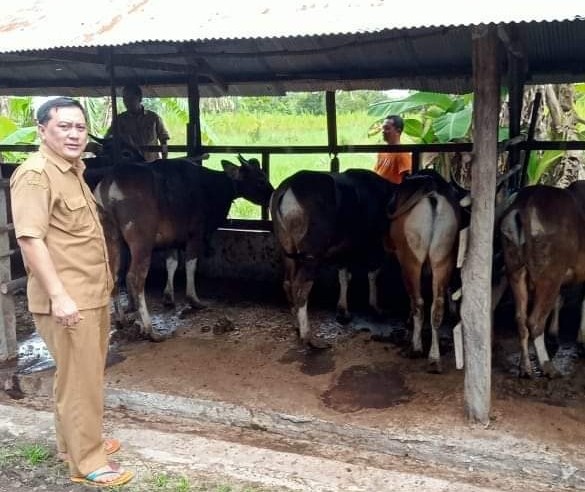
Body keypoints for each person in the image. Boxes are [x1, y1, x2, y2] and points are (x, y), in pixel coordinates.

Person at [10, 97, 134, 487]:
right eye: (64, 126)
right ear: (42, 130)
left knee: (80, 374)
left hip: (90, 291)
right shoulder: (36, 174)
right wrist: (59, 295)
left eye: (80, 127)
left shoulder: (72, 170)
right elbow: (30, 239)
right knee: (80, 378)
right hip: (68, 296)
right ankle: (88, 462)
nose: (74, 134)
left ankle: (76, 443)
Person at [106, 84, 170, 162]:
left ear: (139, 99)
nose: (127, 102)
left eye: (130, 99)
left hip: (152, 165)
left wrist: (164, 161)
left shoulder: (153, 118)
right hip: (130, 166)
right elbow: (108, 138)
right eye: (124, 99)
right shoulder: (119, 120)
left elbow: (164, 140)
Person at [373, 114, 412, 184]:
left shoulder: (402, 154)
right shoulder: (382, 152)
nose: (383, 131)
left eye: (387, 128)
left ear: (398, 131)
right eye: (383, 128)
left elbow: (407, 180)